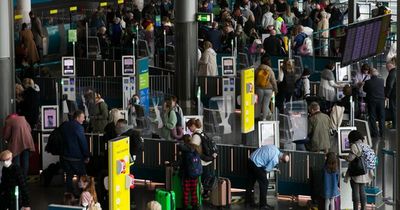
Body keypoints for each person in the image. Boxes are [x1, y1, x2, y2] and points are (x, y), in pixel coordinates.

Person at [245, 145, 290, 209]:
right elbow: (266, 170)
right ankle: (263, 205)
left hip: (250, 159)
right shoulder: (275, 160)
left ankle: (247, 203)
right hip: (256, 164)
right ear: (281, 160)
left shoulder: (275, 148)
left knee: (250, 182)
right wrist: (274, 168)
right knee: (264, 182)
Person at [61, 110, 90, 195]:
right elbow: (83, 142)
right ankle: (83, 193)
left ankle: (69, 194)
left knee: (69, 176)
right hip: (76, 157)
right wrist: (86, 155)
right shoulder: (78, 127)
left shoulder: (65, 125)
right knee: (82, 175)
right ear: (77, 117)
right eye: (83, 117)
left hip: (65, 156)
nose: (84, 119)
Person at [186, 119, 217, 199]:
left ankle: (203, 195)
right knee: (207, 178)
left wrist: (188, 142)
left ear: (193, 126)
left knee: (203, 179)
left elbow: (192, 148)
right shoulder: (202, 133)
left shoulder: (196, 135)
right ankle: (206, 194)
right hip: (207, 160)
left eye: (189, 127)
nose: (189, 129)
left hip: (201, 161)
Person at [344, 130, 375, 210]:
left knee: (355, 191)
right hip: (365, 172)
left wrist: (344, 157)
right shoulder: (366, 145)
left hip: (357, 172)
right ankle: (363, 208)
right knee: (362, 191)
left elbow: (350, 158)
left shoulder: (354, 146)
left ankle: (355, 208)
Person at [177, 135, 202, 210]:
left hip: (186, 174)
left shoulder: (184, 151)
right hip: (195, 175)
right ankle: (195, 205)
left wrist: (172, 164)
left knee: (186, 191)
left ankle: (185, 205)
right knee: (194, 191)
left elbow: (180, 162)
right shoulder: (197, 149)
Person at [363, 68, 385, 137]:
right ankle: (382, 133)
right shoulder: (382, 80)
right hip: (381, 100)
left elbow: (365, 90)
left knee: (372, 117)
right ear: (377, 73)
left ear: (370, 74)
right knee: (381, 116)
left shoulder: (367, 82)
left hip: (371, 101)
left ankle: (375, 133)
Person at [385, 59, 397, 129]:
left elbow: (390, 85)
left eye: (387, 67)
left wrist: (387, 95)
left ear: (389, 65)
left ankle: (395, 126)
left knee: (394, 110)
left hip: (394, 95)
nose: (386, 69)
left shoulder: (392, 73)